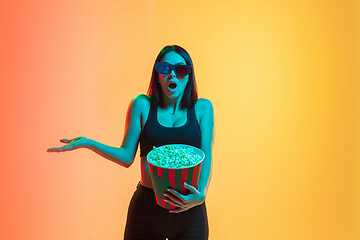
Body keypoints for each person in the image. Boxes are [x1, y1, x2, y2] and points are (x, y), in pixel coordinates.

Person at [47, 45, 215, 240]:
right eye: (165, 69)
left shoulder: (203, 108)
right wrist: (88, 143)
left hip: (190, 211)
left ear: (189, 75)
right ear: (157, 74)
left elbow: (207, 154)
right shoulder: (142, 105)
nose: (172, 75)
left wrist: (200, 195)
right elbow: (127, 157)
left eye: (181, 69)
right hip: (146, 210)